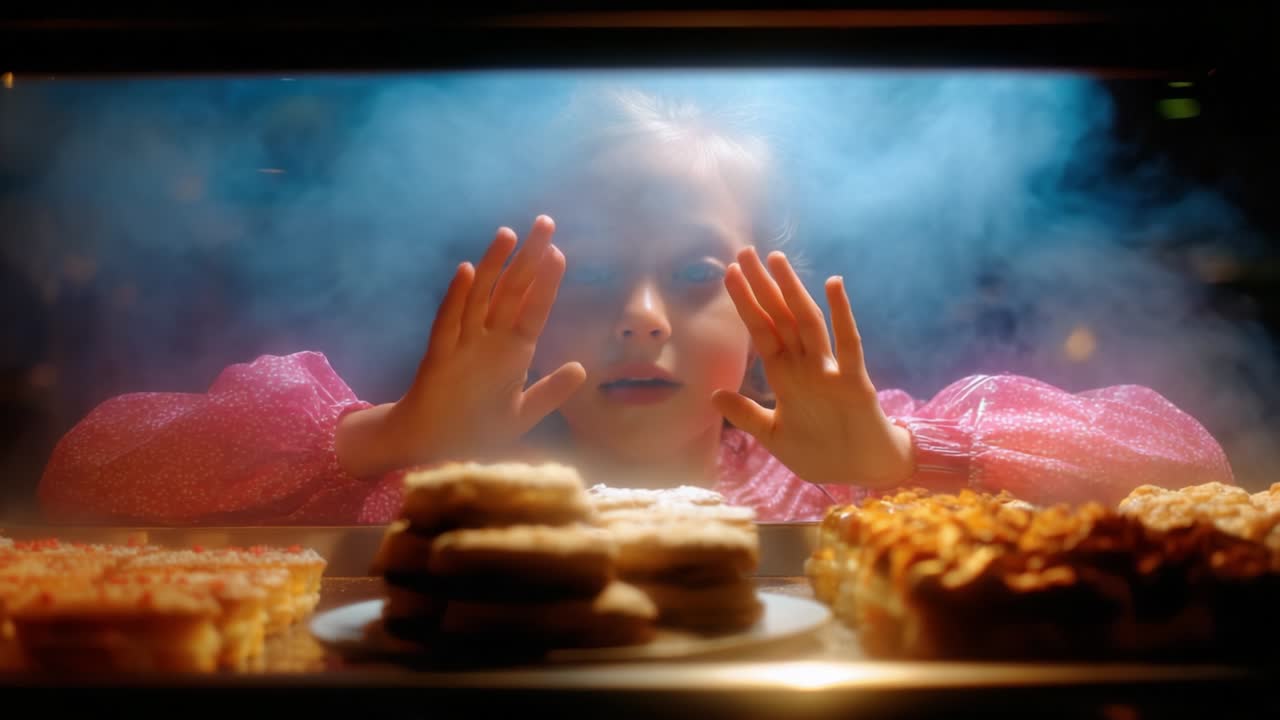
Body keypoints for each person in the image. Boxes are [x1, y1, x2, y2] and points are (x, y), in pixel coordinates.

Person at [37, 89, 1233, 525]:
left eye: (699, 275)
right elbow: (86, 471)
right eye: (592, 271)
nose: (644, 315)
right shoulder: (418, 475)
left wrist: (907, 452)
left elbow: (1190, 462)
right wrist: (388, 435)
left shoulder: (848, 470)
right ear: (513, 294)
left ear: (770, 294)